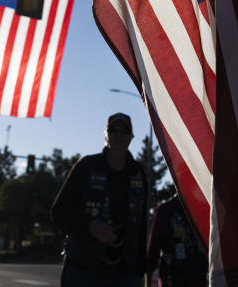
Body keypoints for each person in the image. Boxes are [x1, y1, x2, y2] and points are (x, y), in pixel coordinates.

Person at [52, 112, 148, 286]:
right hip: (84, 267)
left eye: (124, 131)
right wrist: (90, 225)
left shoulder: (138, 173)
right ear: (106, 135)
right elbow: (59, 211)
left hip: (124, 270)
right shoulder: (87, 166)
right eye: (113, 131)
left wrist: (140, 272)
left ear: (131, 137)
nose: (119, 136)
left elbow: (142, 226)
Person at [144, 193, 208, 287]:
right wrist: (148, 282)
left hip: (197, 276)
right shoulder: (165, 211)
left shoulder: (203, 208)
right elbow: (152, 252)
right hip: (172, 277)